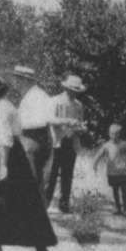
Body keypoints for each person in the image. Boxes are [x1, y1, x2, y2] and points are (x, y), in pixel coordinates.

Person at [0, 75, 57, 251]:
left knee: (15, 200)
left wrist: (4, 166)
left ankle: (41, 250)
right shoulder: (4, 106)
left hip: (9, 158)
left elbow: (5, 140)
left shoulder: (2, 110)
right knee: (3, 200)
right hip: (12, 156)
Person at [10, 65, 53, 207]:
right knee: (31, 177)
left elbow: (42, 121)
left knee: (32, 177)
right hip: (30, 138)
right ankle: (34, 208)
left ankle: (36, 209)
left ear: (25, 80)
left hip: (34, 139)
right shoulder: (30, 96)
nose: (15, 83)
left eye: (17, 79)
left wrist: (18, 125)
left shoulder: (38, 96)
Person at [46, 74, 88, 214]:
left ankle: (64, 205)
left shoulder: (78, 105)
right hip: (56, 141)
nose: (74, 93)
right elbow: (50, 119)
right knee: (51, 174)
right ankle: (45, 203)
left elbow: (80, 123)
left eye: (76, 91)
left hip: (71, 141)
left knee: (67, 174)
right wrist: (67, 121)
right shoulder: (55, 101)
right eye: (72, 90)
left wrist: (81, 128)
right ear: (66, 88)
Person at [93, 123, 126, 216]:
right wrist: (95, 164)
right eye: (112, 134)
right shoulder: (107, 145)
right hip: (112, 172)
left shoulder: (124, 144)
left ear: (119, 134)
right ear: (109, 134)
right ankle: (118, 208)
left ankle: (125, 208)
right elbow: (99, 155)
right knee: (115, 190)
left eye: (116, 134)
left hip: (122, 171)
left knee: (124, 190)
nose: (114, 136)